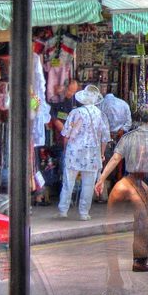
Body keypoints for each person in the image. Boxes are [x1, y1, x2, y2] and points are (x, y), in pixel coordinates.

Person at [95, 105, 148, 273]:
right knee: (143, 222)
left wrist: (101, 179)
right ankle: (139, 261)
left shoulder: (128, 137)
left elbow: (115, 159)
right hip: (143, 181)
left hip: (129, 180)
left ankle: (141, 254)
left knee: (137, 221)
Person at [57, 84, 111, 221]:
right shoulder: (100, 115)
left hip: (74, 152)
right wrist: (102, 153)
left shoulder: (76, 113)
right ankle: (84, 212)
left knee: (68, 181)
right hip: (92, 154)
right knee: (88, 184)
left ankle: (63, 210)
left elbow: (66, 133)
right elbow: (105, 137)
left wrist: (65, 149)